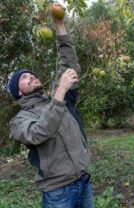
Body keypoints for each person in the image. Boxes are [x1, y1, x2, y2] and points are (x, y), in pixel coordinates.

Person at [7, 4, 93, 208]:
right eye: (24, 78)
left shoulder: (54, 97)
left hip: (83, 182)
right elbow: (38, 132)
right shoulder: (19, 121)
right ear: (19, 92)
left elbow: (68, 65)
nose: (30, 78)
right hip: (58, 192)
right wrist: (61, 93)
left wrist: (60, 25)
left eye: (31, 74)